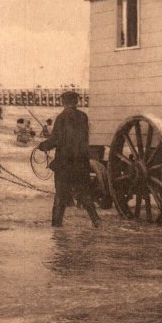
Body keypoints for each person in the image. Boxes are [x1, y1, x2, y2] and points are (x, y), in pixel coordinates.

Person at [37, 91, 101, 228]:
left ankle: (56, 226)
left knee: (60, 196)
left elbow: (56, 139)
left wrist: (43, 146)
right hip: (81, 162)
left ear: (63, 102)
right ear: (76, 102)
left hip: (64, 163)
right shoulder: (83, 116)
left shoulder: (61, 117)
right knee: (84, 194)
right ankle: (96, 221)